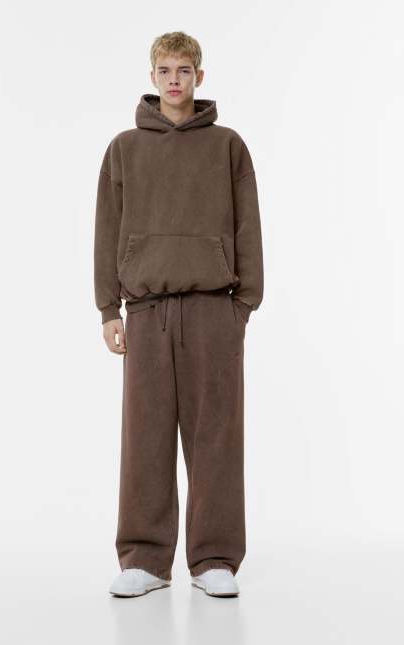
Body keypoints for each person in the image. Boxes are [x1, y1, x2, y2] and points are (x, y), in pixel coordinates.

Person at [93, 31, 264, 598]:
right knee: (144, 437)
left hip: (214, 310)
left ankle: (214, 558)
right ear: (152, 77)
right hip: (145, 310)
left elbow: (248, 226)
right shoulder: (124, 149)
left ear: (199, 77)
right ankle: (144, 559)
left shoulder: (227, 146)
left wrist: (244, 306)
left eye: (184, 71)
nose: (174, 80)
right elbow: (107, 229)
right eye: (165, 70)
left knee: (216, 436)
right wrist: (108, 308)